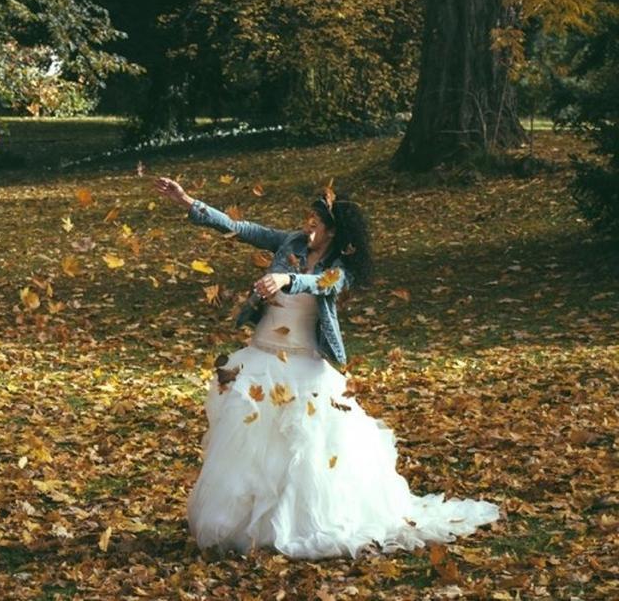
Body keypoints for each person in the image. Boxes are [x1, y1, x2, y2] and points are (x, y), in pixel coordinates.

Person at [153, 177, 499, 559]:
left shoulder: (341, 268)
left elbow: (322, 284)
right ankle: (248, 527)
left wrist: (287, 278)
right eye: (307, 220)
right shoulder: (291, 243)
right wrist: (188, 203)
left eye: (315, 224)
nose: (307, 228)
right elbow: (242, 229)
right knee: (250, 448)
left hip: (305, 366)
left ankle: (300, 525)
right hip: (259, 359)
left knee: (306, 451)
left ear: (334, 231)